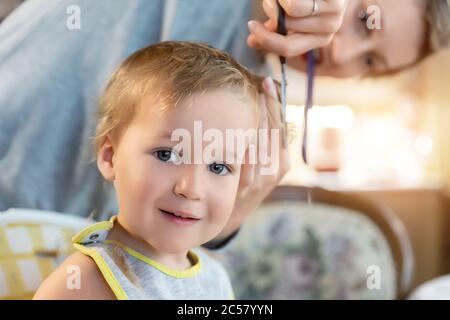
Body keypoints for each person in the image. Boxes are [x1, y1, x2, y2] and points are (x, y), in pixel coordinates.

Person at [0, 0, 449, 246]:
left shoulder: (254, 99)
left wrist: (233, 214)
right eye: (365, 19)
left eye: (371, 61)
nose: (343, 52)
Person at [33, 41, 276, 299]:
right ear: (110, 156)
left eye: (218, 166)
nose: (191, 189)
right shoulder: (83, 283)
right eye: (166, 154)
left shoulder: (214, 280)